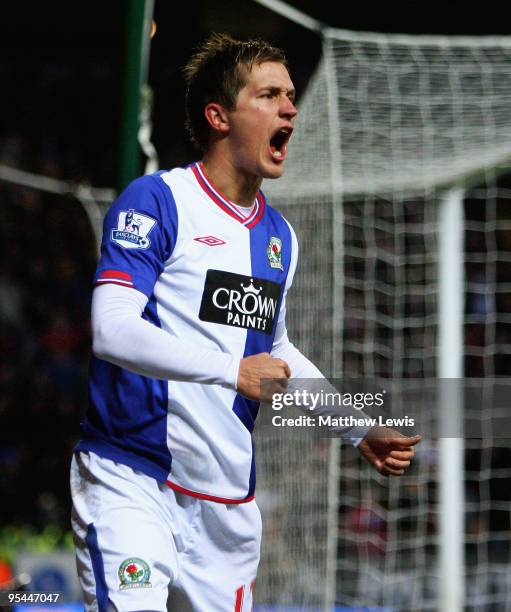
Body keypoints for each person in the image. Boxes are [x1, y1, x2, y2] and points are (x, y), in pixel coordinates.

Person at [70, 33, 421, 612]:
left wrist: (357, 428)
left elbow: (277, 354)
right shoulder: (157, 201)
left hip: (227, 512)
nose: (290, 108)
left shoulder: (279, 236)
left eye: (290, 96)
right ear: (219, 116)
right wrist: (233, 371)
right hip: (133, 481)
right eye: (269, 95)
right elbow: (112, 329)